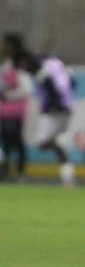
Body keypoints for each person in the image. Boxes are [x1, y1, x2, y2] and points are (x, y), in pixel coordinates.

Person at [20, 52, 76, 186]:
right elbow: (73, 85)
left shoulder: (43, 73)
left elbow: (53, 90)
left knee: (39, 142)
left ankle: (58, 142)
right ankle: (68, 179)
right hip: (65, 110)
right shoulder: (58, 68)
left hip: (53, 112)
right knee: (59, 150)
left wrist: (53, 106)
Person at [0, 33, 30, 180]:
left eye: (4, 43)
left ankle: (20, 171)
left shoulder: (18, 64)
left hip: (15, 111)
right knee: (6, 142)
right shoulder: (5, 63)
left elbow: (26, 89)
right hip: (4, 110)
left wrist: (7, 95)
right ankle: (5, 171)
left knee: (16, 141)